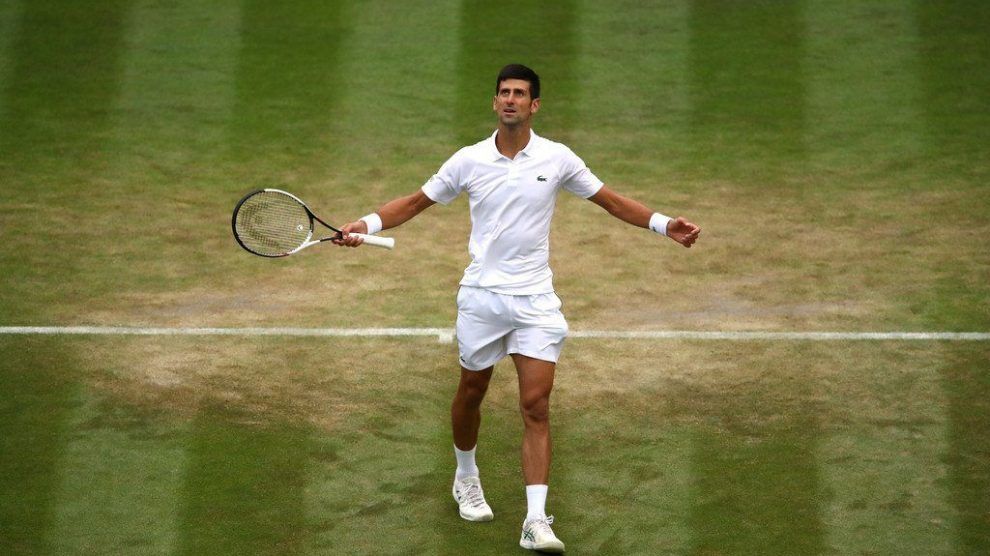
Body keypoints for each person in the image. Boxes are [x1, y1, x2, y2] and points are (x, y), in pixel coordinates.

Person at [334, 64, 700, 553]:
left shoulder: (558, 157)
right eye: (503, 92)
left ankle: (534, 520)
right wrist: (365, 223)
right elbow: (415, 202)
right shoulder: (468, 160)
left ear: (534, 106)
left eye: (519, 93)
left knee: (536, 405)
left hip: (535, 302)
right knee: (471, 390)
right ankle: (466, 476)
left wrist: (662, 224)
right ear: (495, 102)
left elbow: (610, 201)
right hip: (482, 298)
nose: (510, 99)